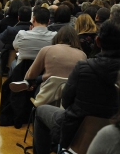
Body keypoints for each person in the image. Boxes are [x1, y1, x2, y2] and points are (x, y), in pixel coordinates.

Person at [33, 19, 120, 154]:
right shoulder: (82, 57)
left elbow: (66, 101)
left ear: (98, 41)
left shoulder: (83, 67)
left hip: (76, 131)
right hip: (115, 139)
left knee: (40, 111)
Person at [10, 26, 87, 93]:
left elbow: (31, 73)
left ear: (58, 37)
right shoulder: (82, 55)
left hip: (47, 92)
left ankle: (28, 84)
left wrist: (28, 80)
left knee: (35, 81)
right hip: (71, 94)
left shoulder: (46, 50)